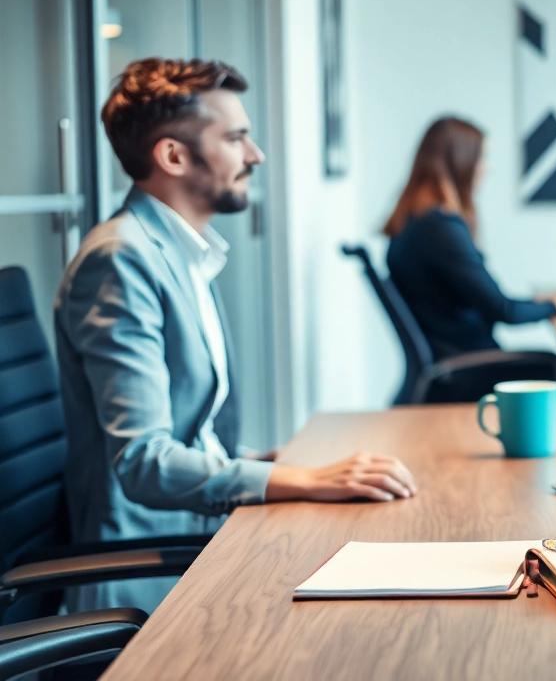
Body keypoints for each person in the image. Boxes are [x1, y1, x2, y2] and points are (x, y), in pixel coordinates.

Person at [55, 58, 418, 614]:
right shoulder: (122, 259)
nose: (255, 155)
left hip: (198, 541)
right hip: (150, 571)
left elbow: (187, 432)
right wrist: (297, 478)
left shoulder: (177, 253)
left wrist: (271, 463)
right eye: (236, 137)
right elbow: (144, 461)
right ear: (173, 156)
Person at [383, 117, 556, 397]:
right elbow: (502, 310)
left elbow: (491, 303)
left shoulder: (415, 222)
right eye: (482, 158)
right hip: (465, 368)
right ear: (461, 162)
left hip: (453, 360)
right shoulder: (440, 228)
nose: (486, 168)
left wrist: (544, 303)